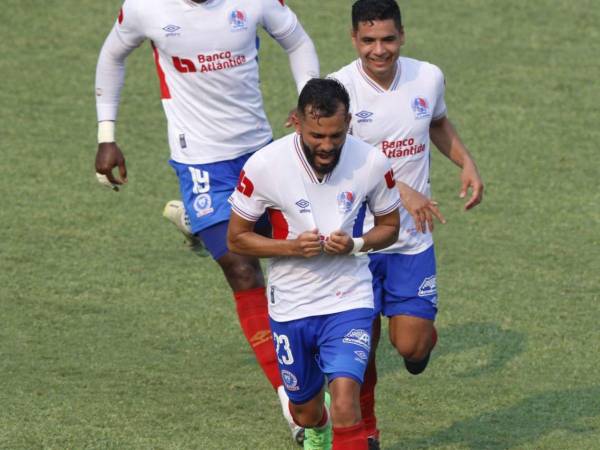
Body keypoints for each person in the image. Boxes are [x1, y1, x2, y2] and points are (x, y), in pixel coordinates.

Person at [93, 0, 319, 443]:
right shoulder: (145, 7)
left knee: (299, 259)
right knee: (241, 267)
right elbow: (112, 55)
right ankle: (290, 400)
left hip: (260, 153)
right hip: (200, 164)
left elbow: (296, 38)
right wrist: (107, 135)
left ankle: (199, 223)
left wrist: (310, 104)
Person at [327, 1, 484, 448]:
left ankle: (419, 341)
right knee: (361, 346)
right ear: (354, 38)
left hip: (411, 242)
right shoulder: (337, 89)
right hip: (359, 241)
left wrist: (465, 161)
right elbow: (336, 160)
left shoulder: (427, 77)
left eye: (388, 39)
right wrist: (400, 191)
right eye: (369, 40)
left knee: (412, 347)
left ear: (402, 36)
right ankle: (368, 431)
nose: (380, 50)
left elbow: (436, 123)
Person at [227, 78, 401, 450]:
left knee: (345, 404)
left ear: (348, 123)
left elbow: (390, 228)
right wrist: (291, 248)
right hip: (291, 305)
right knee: (305, 410)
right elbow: (237, 238)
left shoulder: (372, 162)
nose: (326, 146)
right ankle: (316, 429)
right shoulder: (265, 166)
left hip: (348, 300)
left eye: (335, 136)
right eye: (316, 136)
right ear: (296, 122)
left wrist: (356, 243)